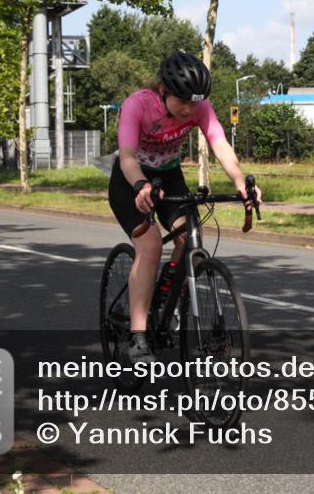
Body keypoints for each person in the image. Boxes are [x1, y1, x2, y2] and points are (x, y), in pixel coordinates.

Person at [109, 50, 262, 363]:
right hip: (130, 180)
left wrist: (239, 182)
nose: (190, 109)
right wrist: (141, 186)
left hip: (169, 175)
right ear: (164, 91)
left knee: (190, 238)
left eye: (196, 102)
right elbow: (126, 156)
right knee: (150, 245)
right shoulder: (137, 105)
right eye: (183, 101)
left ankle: (164, 293)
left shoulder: (199, 107)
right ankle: (138, 336)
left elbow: (219, 142)